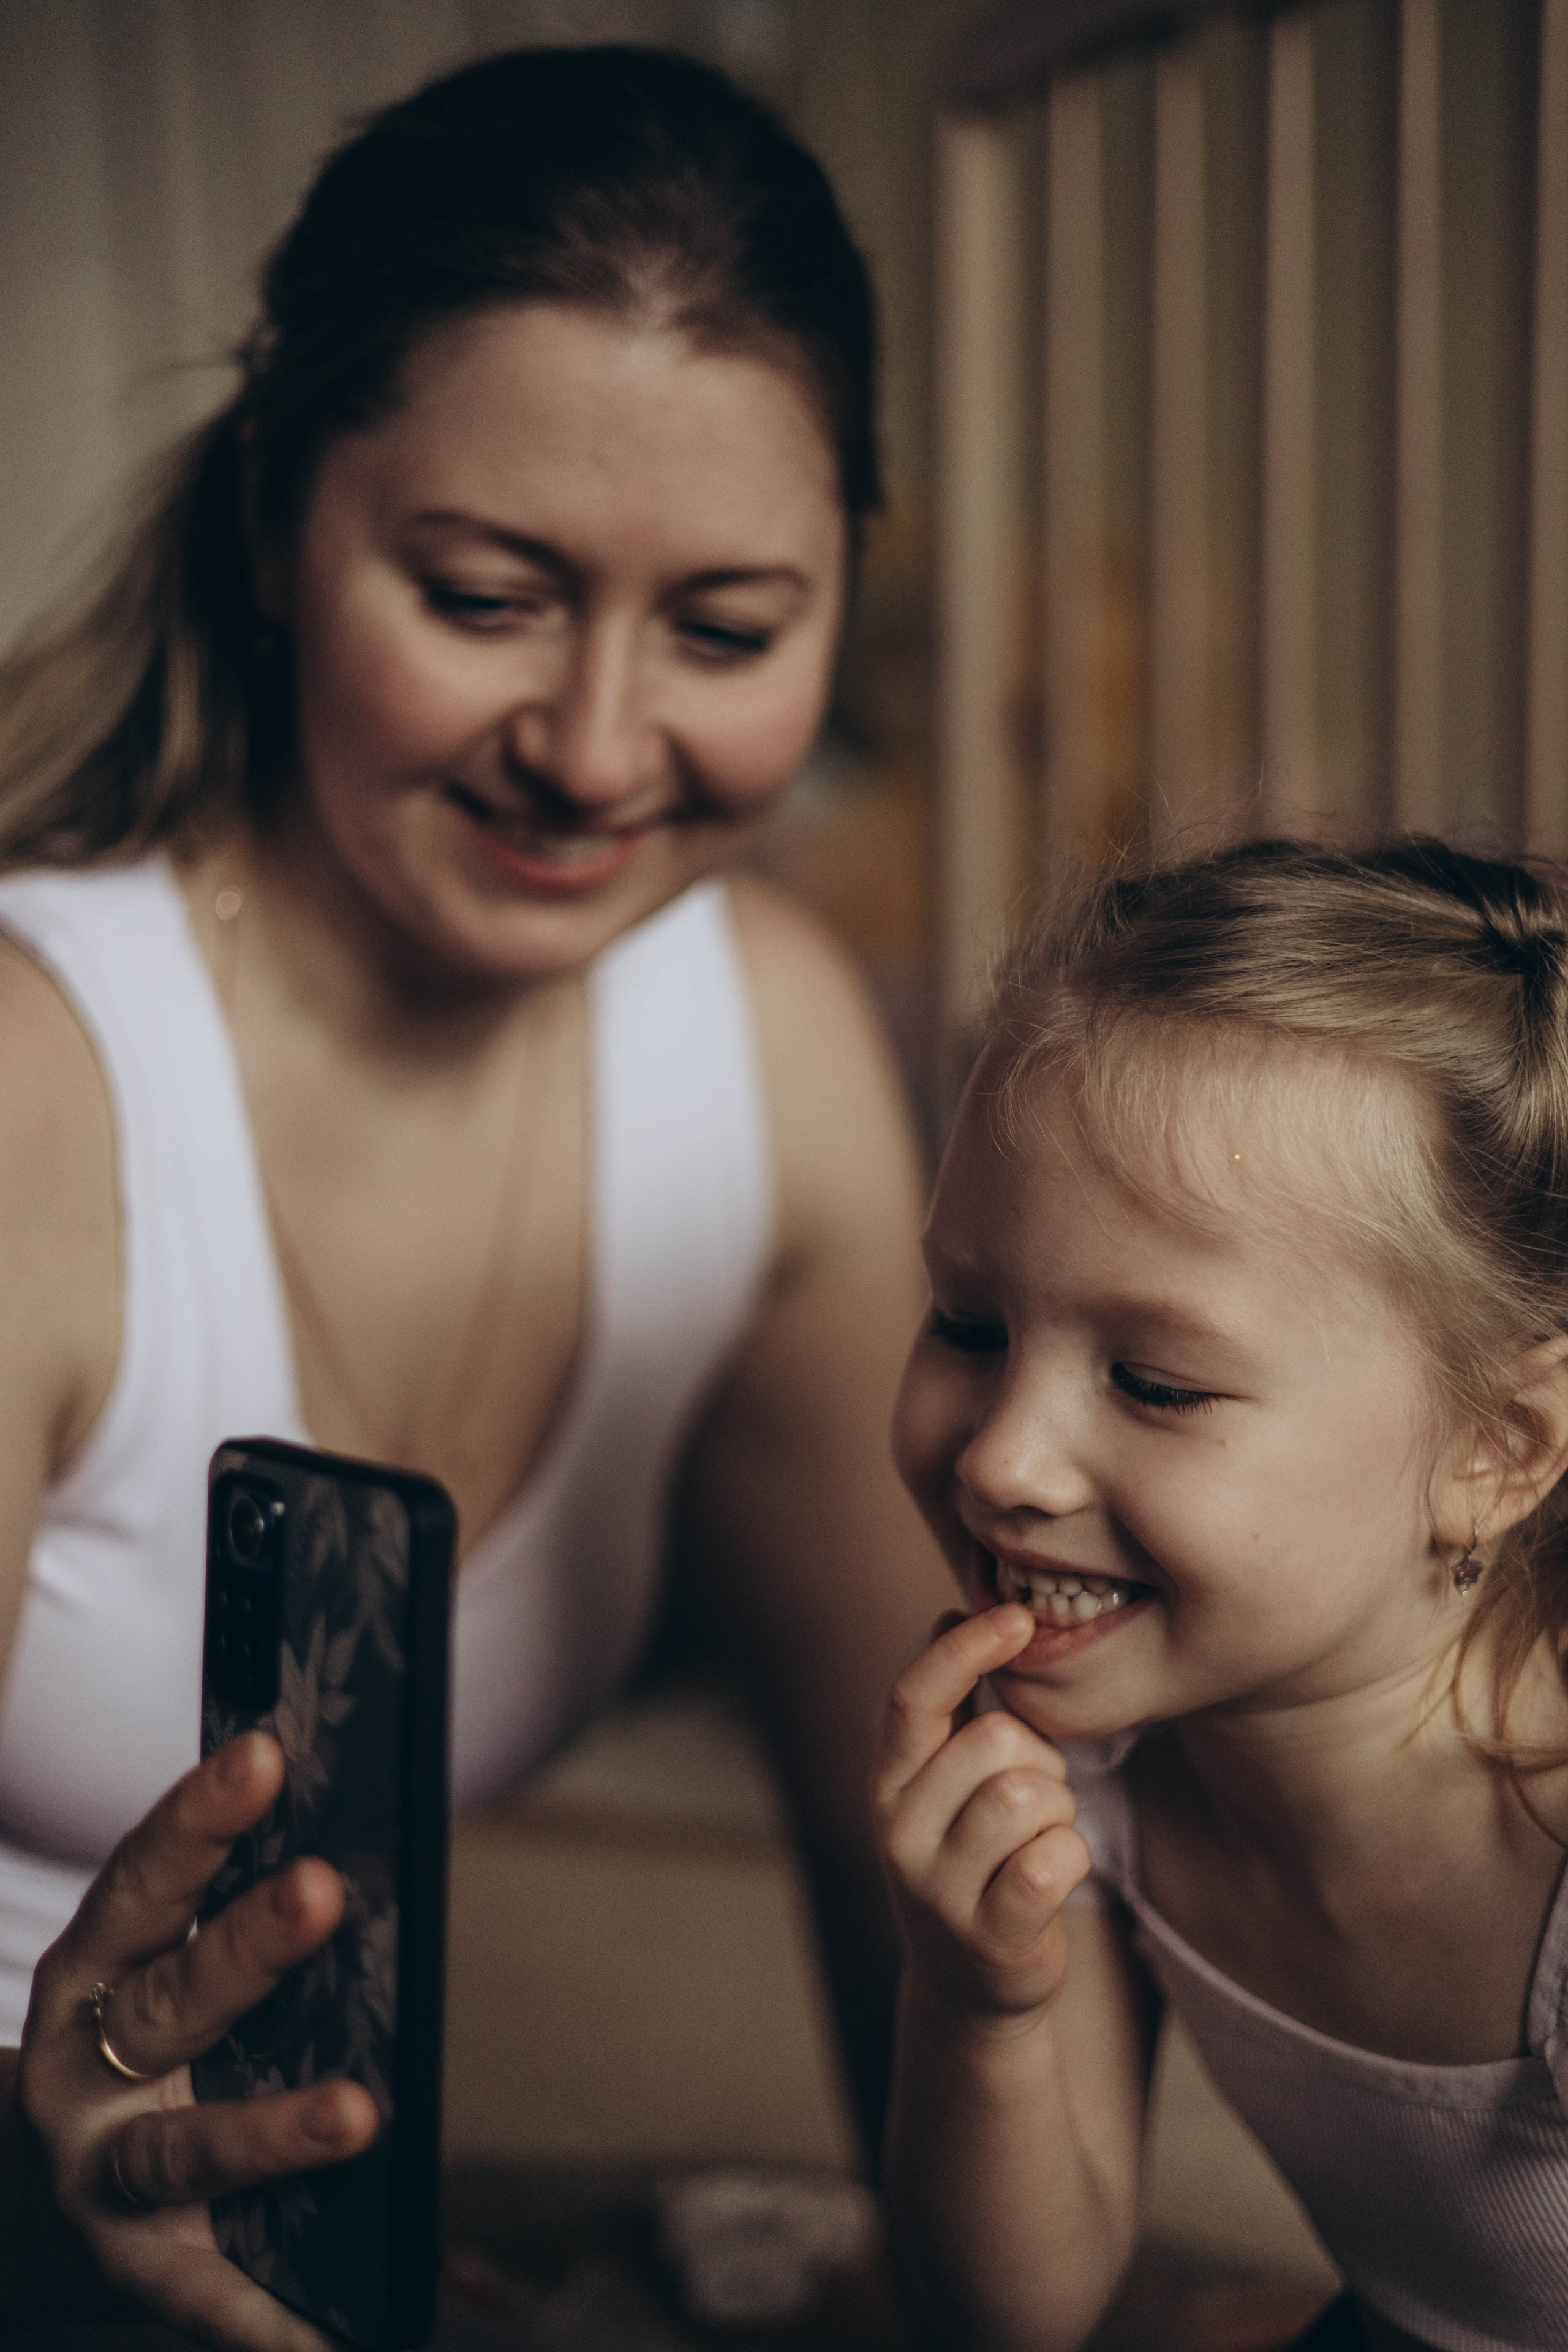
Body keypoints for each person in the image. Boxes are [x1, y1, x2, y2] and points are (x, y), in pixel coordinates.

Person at [0, 43, 954, 2345]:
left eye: (727, 634)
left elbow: (918, 1890)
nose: (602, 751)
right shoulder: (33, 1080)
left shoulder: (775, 1041)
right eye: (485, 594)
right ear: (271, 526)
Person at [876, 835, 1568, 2352]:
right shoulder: (1090, 1756)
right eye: (965, 1322)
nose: (1002, 1461)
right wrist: (975, 2002)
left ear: (1493, 1450)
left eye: (1156, 1382)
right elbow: (1018, 2314)